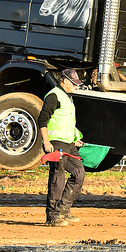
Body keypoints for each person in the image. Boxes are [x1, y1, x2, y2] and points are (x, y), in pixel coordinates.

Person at [38, 68, 85, 227]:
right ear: (64, 81)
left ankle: (63, 210)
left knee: (79, 173)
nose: (76, 87)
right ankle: (52, 216)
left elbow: (68, 124)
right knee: (57, 177)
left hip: (69, 144)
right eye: (74, 83)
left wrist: (76, 138)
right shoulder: (54, 96)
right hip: (56, 143)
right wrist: (46, 142)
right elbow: (42, 119)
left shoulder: (68, 98)